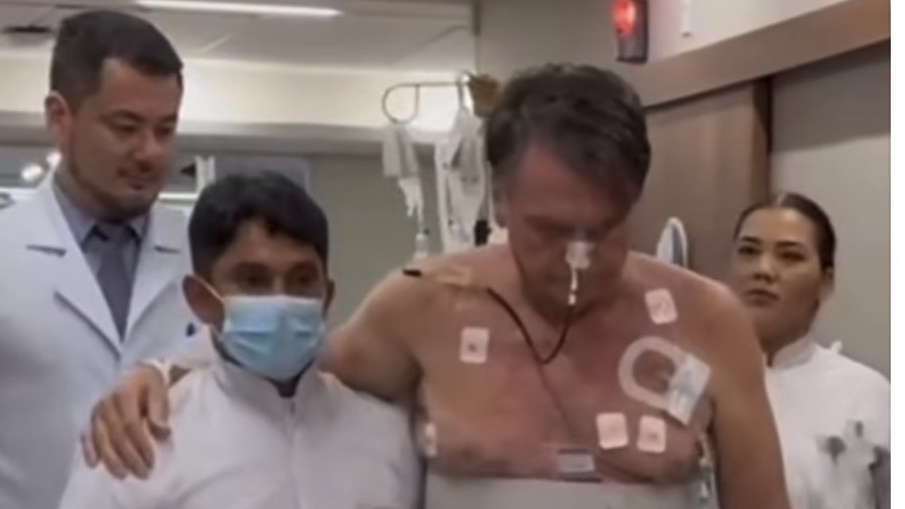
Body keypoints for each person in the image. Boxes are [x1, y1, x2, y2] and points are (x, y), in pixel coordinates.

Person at [84, 65, 792, 509]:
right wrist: (164, 372)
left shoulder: (709, 321)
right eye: (548, 232)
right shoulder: (425, 305)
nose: (576, 260)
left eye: (603, 232)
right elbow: (285, 363)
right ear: (500, 200)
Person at [0, 10, 197, 509]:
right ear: (60, 118)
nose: (149, 152)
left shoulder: (201, 258)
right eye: (126, 127)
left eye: (165, 130)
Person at [58, 172, 419, 509]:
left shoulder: (386, 436)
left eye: (302, 279)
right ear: (201, 298)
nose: (281, 299)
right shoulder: (139, 442)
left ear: (327, 296)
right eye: (253, 280)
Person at [729, 192, 890, 509]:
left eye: (790, 256)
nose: (763, 269)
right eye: (748, 251)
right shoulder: (687, 383)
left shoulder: (868, 397)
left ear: (825, 283)